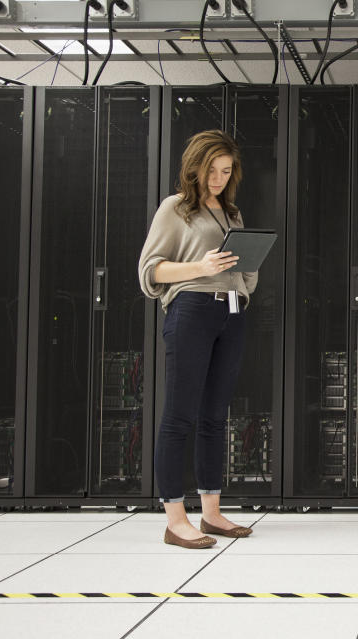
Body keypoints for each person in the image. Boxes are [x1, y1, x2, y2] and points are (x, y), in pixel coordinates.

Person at [138, 129, 256, 549]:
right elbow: (150, 270)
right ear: (196, 167)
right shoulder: (176, 209)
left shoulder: (232, 214)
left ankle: (211, 514)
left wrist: (245, 277)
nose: (219, 178)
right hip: (192, 310)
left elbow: (242, 270)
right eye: (212, 170)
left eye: (226, 171)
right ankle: (174, 519)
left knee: (215, 417)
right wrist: (201, 267)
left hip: (232, 312)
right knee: (179, 417)